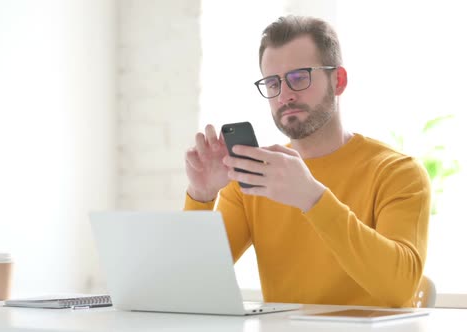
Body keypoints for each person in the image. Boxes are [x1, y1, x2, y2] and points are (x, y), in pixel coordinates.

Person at [183, 15, 431, 307]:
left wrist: (313, 198)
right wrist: (202, 196)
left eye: (299, 78)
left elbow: (398, 288)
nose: (285, 95)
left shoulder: (398, 172)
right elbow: (189, 283)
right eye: (272, 83)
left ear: (338, 81)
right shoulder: (252, 179)